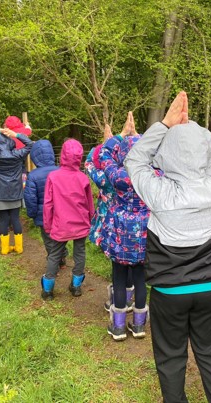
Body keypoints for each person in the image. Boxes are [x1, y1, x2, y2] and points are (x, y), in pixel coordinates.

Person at [124, 91, 211, 402]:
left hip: (169, 293)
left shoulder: (159, 193)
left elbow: (134, 159)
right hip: (210, 288)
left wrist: (166, 124)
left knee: (171, 359)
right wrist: (194, 129)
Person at [99, 130, 150, 341]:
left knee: (119, 278)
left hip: (120, 234)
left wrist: (119, 136)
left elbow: (103, 154)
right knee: (140, 279)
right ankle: (139, 326)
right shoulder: (153, 175)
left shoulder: (119, 176)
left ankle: (118, 327)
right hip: (144, 234)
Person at [85, 114, 136, 312]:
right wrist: (132, 136)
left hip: (112, 226)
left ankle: (118, 302)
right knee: (133, 264)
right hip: (137, 228)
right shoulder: (139, 177)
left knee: (118, 266)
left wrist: (108, 143)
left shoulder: (108, 177)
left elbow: (90, 164)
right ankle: (130, 299)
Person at [42, 139, 93, 298]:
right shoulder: (83, 178)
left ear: (62, 154)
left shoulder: (53, 176)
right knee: (80, 253)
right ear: (79, 157)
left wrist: (48, 225)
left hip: (61, 223)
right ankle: (76, 286)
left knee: (55, 254)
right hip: (80, 223)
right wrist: (90, 219)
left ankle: (48, 289)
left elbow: (48, 203)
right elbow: (89, 203)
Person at [23, 139, 66, 300]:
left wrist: (32, 214)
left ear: (34, 157)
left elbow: (30, 198)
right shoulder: (60, 171)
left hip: (43, 217)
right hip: (61, 215)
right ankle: (62, 256)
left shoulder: (33, 175)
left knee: (49, 242)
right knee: (60, 238)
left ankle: (54, 263)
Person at [0, 127, 33, 255]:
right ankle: (19, 247)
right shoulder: (17, 155)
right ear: (11, 143)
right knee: (15, 218)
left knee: (3, 219)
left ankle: (5, 248)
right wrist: (15, 134)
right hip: (15, 192)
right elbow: (30, 144)